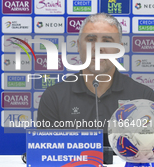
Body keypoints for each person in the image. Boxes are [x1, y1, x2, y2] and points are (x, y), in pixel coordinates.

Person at [37, 13, 154, 146]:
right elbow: (46, 153)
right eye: (91, 39)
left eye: (107, 41)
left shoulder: (144, 97)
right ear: (78, 45)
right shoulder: (54, 97)